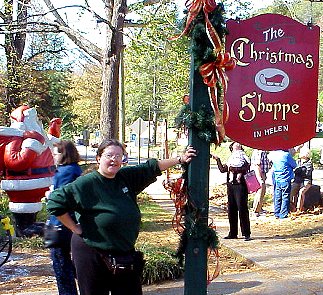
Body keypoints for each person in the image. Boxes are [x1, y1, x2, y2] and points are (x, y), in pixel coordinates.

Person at [47, 139, 196, 295]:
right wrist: (74, 227)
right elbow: (55, 202)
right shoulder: (86, 183)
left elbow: (151, 168)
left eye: (119, 156)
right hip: (91, 252)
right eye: (109, 155)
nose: (114, 159)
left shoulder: (125, 177)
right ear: (99, 158)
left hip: (123, 253)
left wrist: (180, 159)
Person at [47, 140, 82, 295]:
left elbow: (59, 199)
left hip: (60, 224)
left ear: (64, 154)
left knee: (61, 266)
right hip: (73, 222)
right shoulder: (76, 169)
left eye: (56, 153)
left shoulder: (65, 171)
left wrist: (49, 195)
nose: (53, 156)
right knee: (73, 264)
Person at [211, 142, 251, 241]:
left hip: (240, 186)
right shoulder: (231, 159)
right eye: (235, 145)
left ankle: (246, 233)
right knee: (231, 209)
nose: (237, 145)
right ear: (232, 148)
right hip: (231, 186)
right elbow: (222, 169)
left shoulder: (244, 158)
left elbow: (245, 168)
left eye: (238, 145)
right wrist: (218, 160)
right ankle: (233, 233)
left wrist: (232, 168)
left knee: (242, 208)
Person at [268, 149, 297, 219]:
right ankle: (283, 214)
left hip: (277, 178)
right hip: (285, 178)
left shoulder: (275, 155)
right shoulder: (286, 155)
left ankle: (276, 212)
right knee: (285, 196)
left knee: (277, 196)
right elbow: (294, 165)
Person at [290, 147, 313, 212]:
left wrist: (298, 170)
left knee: (301, 192)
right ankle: (291, 206)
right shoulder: (297, 161)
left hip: (306, 181)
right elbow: (295, 170)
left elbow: (307, 173)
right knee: (291, 190)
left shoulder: (309, 163)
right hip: (297, 180)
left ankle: (299, 209)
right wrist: (300, 170)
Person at [250, 149, 271, 217]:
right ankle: (256, 211)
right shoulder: (259, 151)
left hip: (262, 173)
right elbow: (257, 165)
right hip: (259, 174)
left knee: (262, 192)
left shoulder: (262, 150)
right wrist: (260, 178)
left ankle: (259, 208)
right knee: (260, 192)